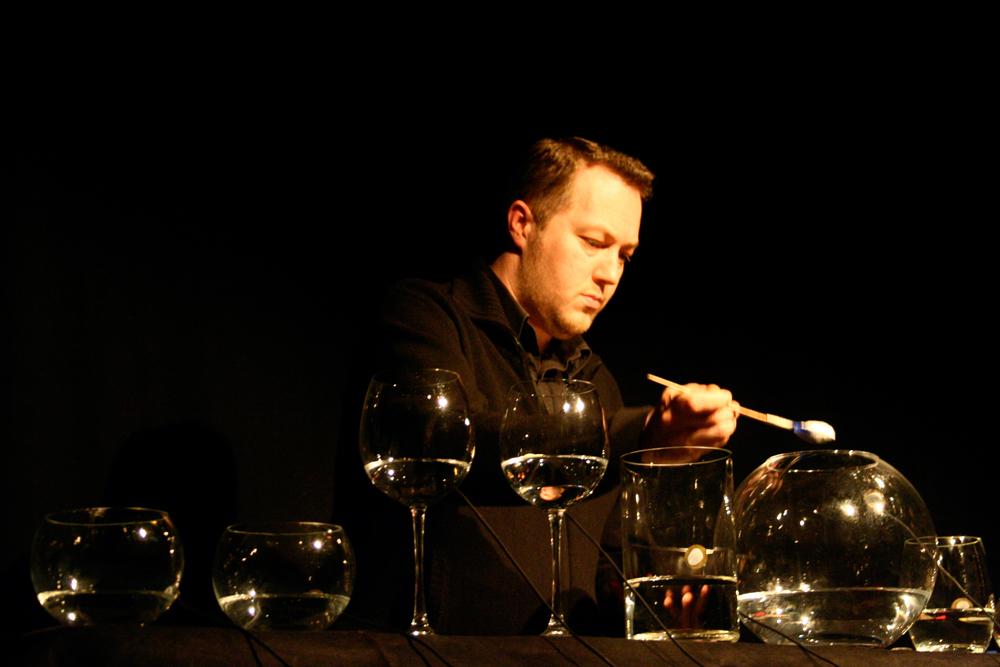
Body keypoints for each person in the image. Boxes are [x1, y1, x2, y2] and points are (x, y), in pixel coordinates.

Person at [333, 137, 738, 636]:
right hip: (418, 652)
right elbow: (450, 440)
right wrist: (643, 433)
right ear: (523, 224)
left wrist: (653, 603)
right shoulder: (424, 315)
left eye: (625, 256)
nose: (610, 274)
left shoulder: (595, 380)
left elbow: (606, 567)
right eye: (594, 242)